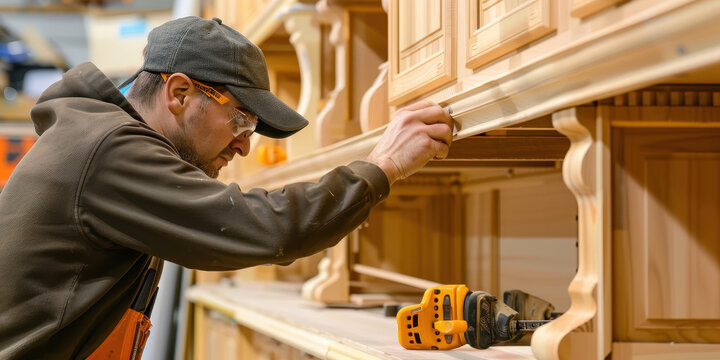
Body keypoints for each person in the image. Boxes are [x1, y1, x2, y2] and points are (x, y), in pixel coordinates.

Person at [0, 16, 452, 359]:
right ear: (179, 93)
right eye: (240, 120)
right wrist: (384, 165)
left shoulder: (100, 139)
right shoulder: (109, 149)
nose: (244, 146)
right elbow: (262, 228)